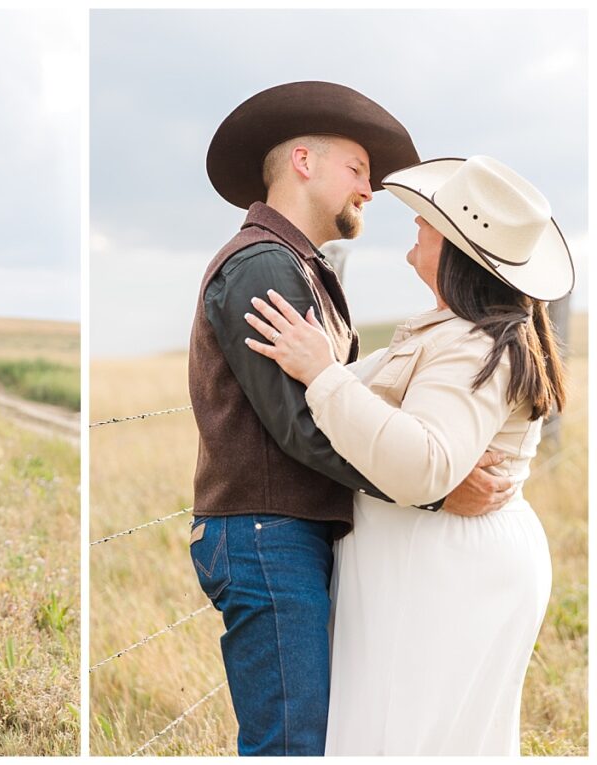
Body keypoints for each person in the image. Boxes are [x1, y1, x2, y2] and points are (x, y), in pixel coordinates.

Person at [187, 83, 511, 756]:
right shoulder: (262, 266)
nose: (371, 189)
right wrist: (430, 488)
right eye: (358, 170)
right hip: (265, 533)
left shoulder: (299, 266)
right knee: (291, 744)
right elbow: (303, 427)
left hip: (286, 531)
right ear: (303, 161)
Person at [244, 155, 571, 755]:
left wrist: (322, 374)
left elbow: (424, 464)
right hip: (440, 565)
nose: (414, 227)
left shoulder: (474, 343)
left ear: (452, 246)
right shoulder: (457, 329)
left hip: (443, 572)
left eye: (426, 221)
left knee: (405, 738)